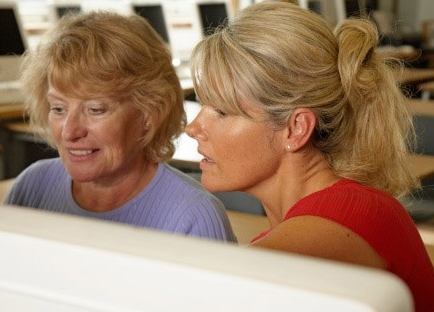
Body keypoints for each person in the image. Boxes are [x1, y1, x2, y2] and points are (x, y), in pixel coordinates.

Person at [185, 2, 434, 311]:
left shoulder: (343, 222)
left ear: (296, 129)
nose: (192, 127)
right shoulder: (323, 217)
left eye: (221, 112)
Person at [4, 11, 236, 243]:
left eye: (95, 110)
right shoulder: (32, 187)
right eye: (58, 108)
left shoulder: (194, 217)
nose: (69, 132)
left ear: (149, 114)